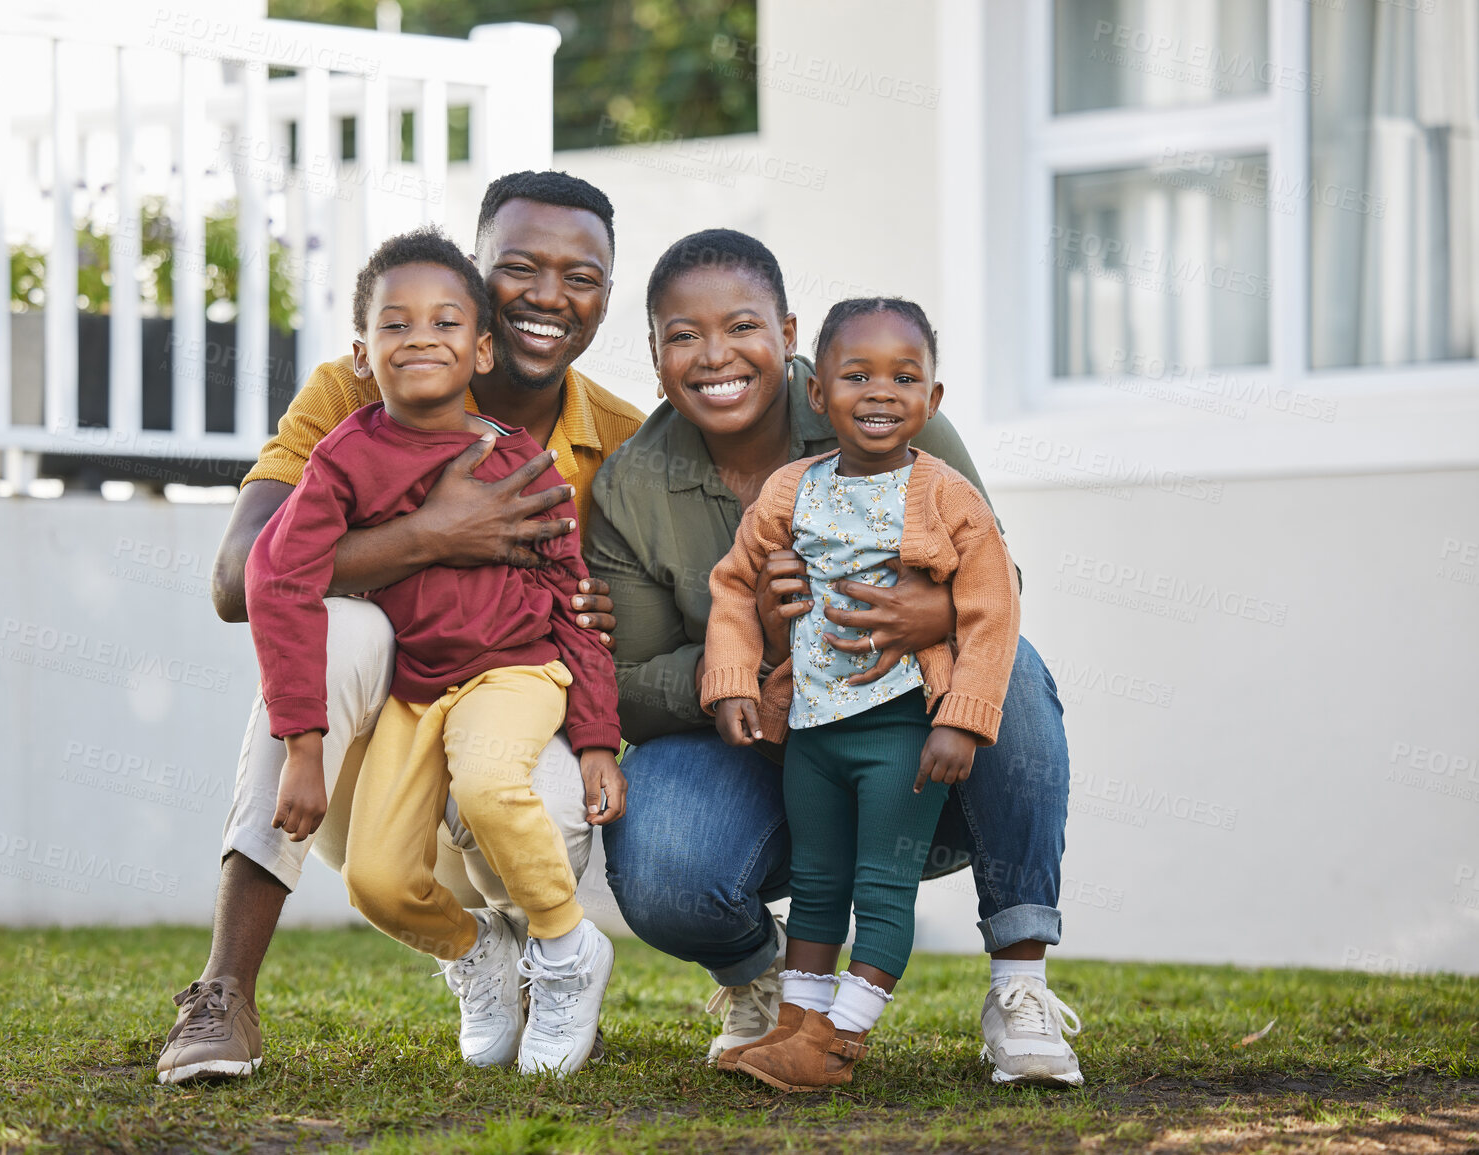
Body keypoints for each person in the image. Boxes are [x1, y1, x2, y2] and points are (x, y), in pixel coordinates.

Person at [158, 171, 643, 1085]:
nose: (547, 295)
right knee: (345, 631)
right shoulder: (352, 393)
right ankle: (225, 990)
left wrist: (599, 627)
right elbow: (239, 580)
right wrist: (432, 534)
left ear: (606, 296)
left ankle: (547, 964)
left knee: (520, 769)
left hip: (506, 726)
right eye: (519, 267)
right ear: (476, 275)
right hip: (376, 738)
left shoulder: (617, 436)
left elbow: (626, 606)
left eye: (580, 275)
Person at [586, 229, 1084, 1087]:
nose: (715, 357)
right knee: (666, 865)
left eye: (741, 326)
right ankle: (765, 979)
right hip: (761, 750)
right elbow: (627, 687)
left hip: (912, 741)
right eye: (682, 336)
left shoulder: (886, 406)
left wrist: (932, 611)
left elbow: (998, 583)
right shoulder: (631, 487)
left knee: (1017, 672)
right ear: (655, 352)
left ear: (785, 333)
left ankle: (1019, 984)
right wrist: (748, 661)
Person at [700, 298, 1021, 1091]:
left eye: (904, 377)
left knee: (881, 878)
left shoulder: (946, 496)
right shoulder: (789, 490)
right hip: (811, 730)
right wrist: (733, 678)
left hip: (902, 727)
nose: (880, 392)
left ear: (932, 400)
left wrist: (962, 719)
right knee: (816, 877)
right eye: (856, 375)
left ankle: (839, 1041)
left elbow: (991, 608)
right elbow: (735, 585)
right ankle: (794, 1023)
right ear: (818, 394)